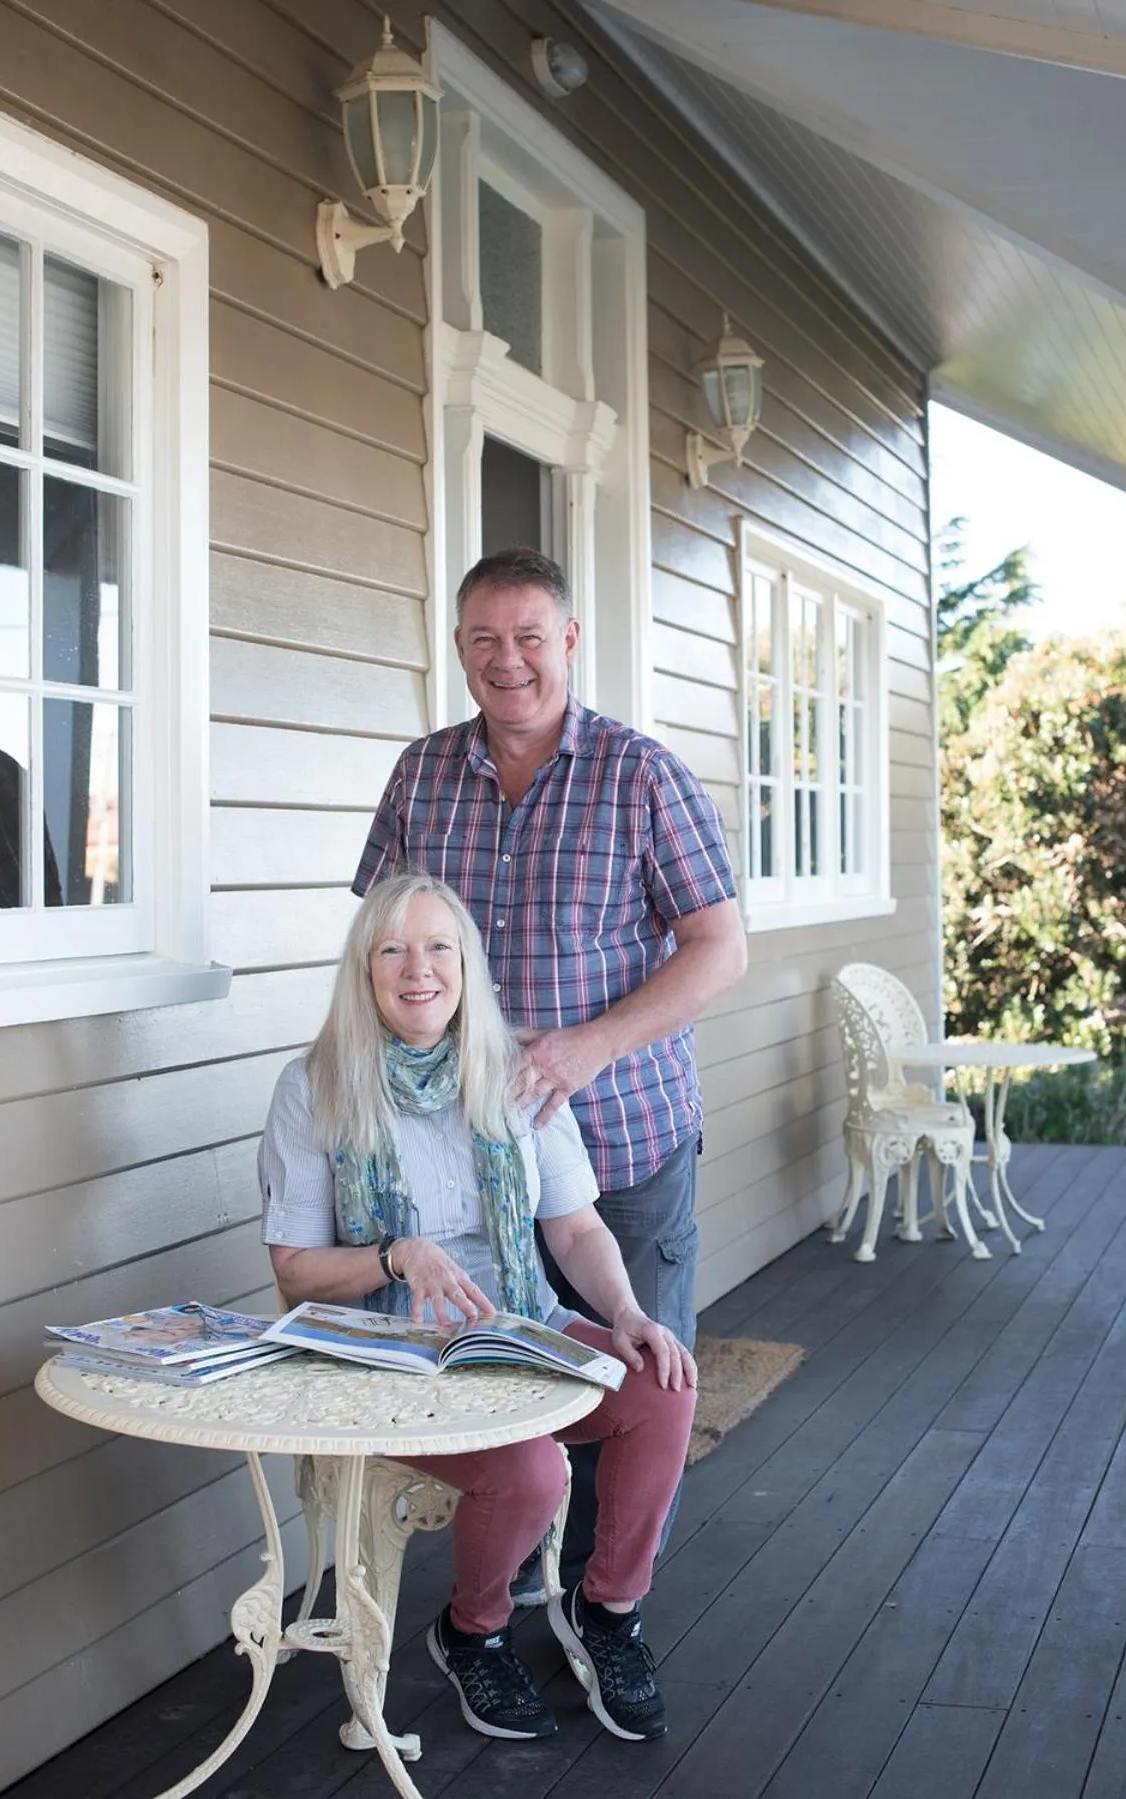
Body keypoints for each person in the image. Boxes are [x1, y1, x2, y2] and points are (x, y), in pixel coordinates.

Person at [352, 548, 748, 1583]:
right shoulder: (421, 773)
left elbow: (720, 946)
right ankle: (505, 1612)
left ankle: (605, 1612)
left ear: (569, 641)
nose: (507, 659)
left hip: (621, 1139)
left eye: (529, 636)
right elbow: (383, 938)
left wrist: (586, 1046)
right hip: (465, 1152)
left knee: (632, 1386)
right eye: (484, 639)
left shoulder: (639, 773)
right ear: (458, 649)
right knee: (510, 1396)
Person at [259, 871, 697, 1744]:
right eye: (392, 948)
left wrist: (624, 1312)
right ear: (365, 968)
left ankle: (609, 1610)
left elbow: (572, 1230)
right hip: (388, 1349)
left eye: (437, 947)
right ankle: (474, 1628)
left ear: (467, 964)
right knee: (532, 1468)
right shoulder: (316, 1088)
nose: (416, 968)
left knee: (661, 1383)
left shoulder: (515, 1073)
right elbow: (297, 1271)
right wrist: (394, 1254)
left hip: (515, 1328)